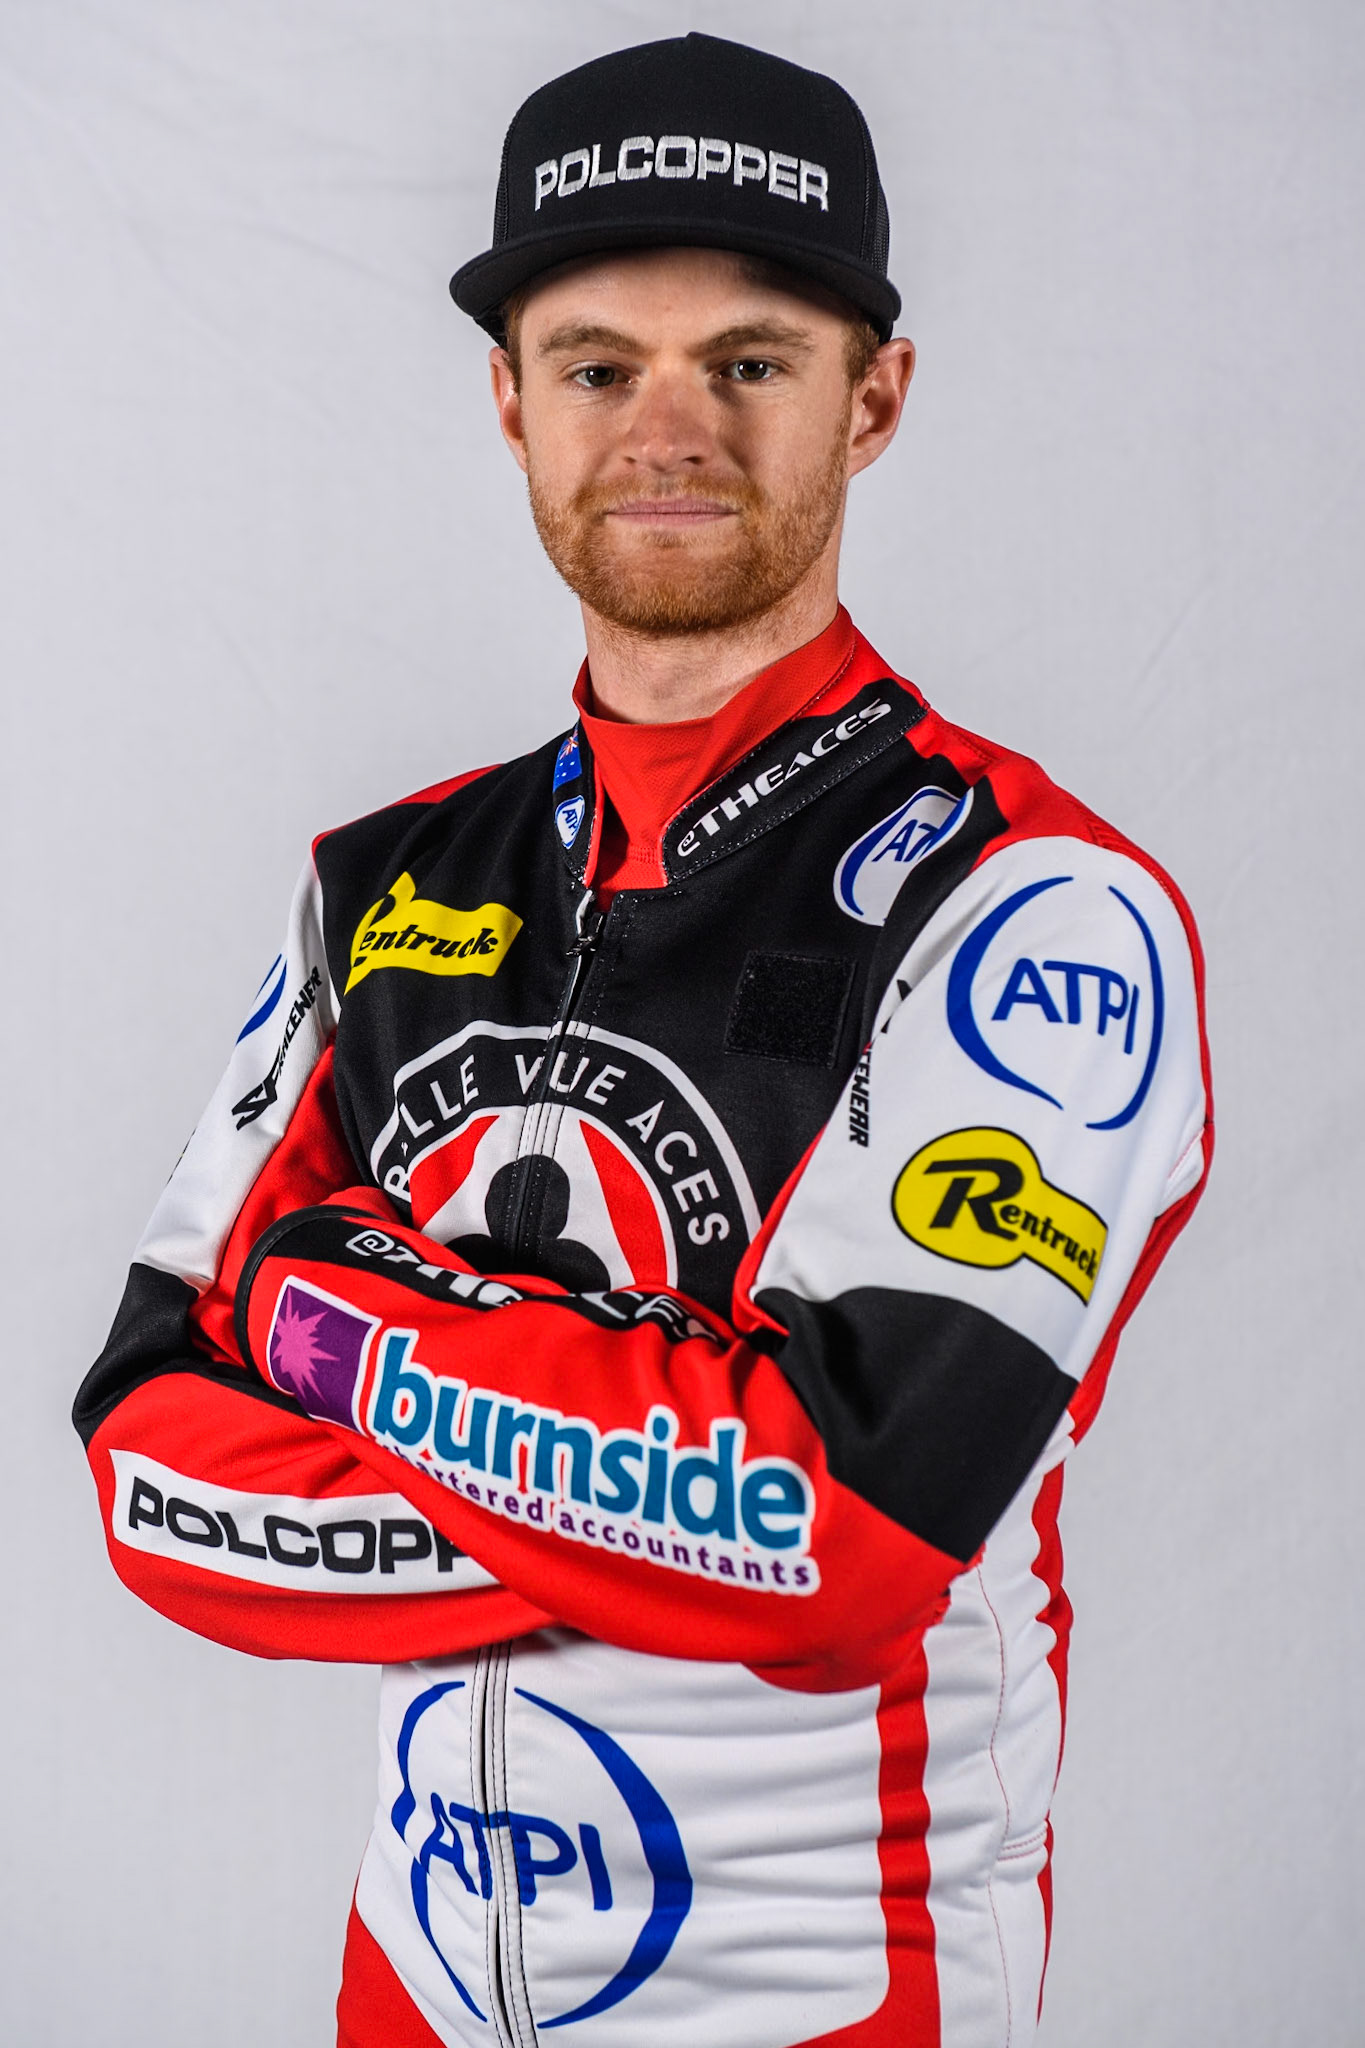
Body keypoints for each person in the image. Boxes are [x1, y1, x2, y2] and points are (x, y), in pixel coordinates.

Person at [74, 32, 1212, 2048]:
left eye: (748, 361)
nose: (664, 426)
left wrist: (336, 1309)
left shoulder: (1037, 909)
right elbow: (148, 1456)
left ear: (874, 397)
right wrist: (644, 1521)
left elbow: (840, 1525)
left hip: (824, 1997)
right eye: (598, 366)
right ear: (509, 404)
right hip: (405, 1985)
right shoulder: (376, 879)